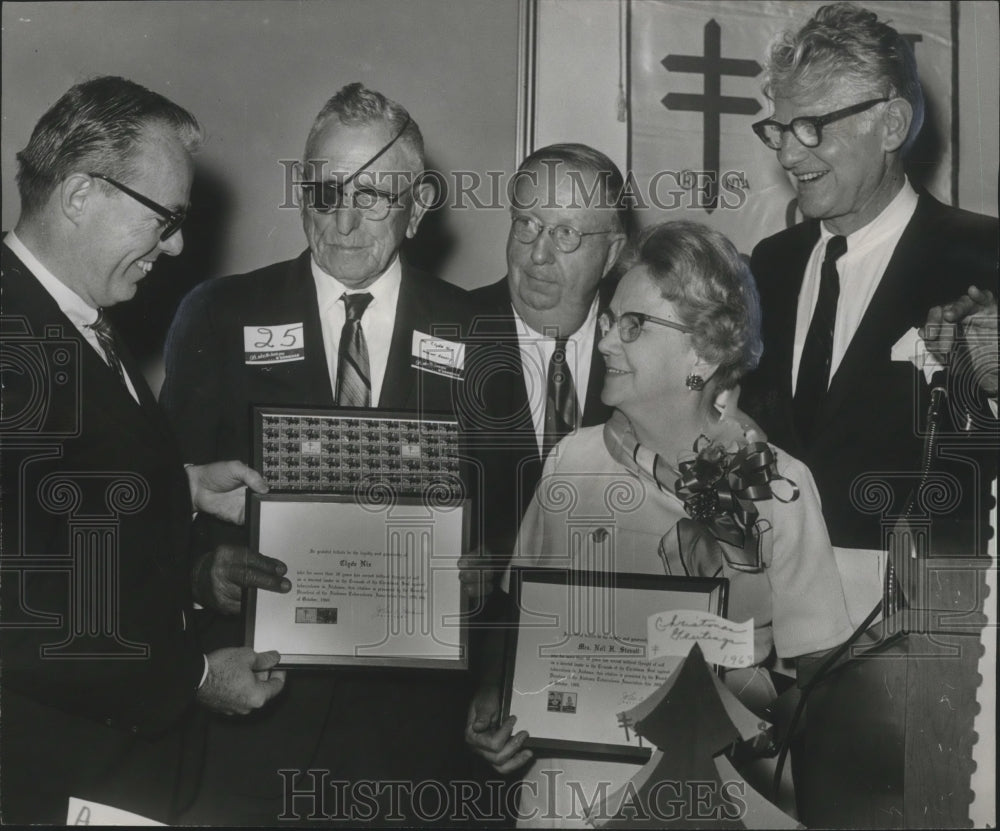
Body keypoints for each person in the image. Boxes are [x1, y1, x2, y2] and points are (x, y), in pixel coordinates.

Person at [160, 82, 480, 825]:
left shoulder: (478, 332)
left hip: (412, 745)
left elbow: (514, 518)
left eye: (373, 195)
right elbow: (157, 502)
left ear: (419, 205)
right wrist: (205, 575)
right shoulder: (217, 313)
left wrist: (483, 570)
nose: (341, 218)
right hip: (252, 726)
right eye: (324, 188)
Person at [465, 222, 853, 826]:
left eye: (634, 326)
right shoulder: (572, 460)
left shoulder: (778, 486)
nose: (605, 344)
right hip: (566, 803)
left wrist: (736, 716)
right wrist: (492, 697)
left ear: (704, 350)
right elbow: (520, 615)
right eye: (608, 321)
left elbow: (819, 678)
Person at [0, 76, 286, 824]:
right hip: (48, 775)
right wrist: (190, 675)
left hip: (100, 768)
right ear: (80, 194)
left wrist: (177, 483)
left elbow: (54, 497)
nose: (179, 245)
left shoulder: (73, 318)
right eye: (165, 219)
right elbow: (25, 611)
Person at [740, 2, 999, 628]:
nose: (788, 155)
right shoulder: (768, 265)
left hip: (928, 636)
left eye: (811, 127)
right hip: (775, 629)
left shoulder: (986, 259)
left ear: (891, 125)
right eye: (778, 129)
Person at [459, 144, 628, 596]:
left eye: (566, 234)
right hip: (476, 636)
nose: (537, 254)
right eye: (526, 225)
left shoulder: (644, 345)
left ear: (611, 254)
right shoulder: (450, 334)